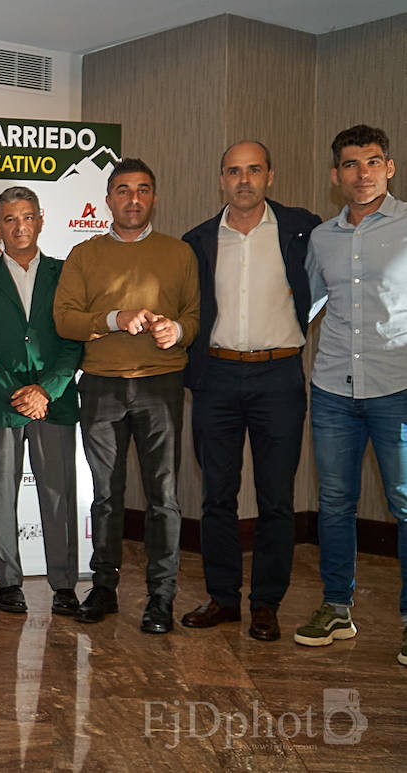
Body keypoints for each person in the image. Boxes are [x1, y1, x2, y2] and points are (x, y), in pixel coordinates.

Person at [179, 141, 320, 642]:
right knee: (217, 496)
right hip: (216, 378)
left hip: (278, 377)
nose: (244, 180)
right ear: (221, 179)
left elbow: (323, 286)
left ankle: (266, 604)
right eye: (234, 171)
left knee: (276, 497)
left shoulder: (302, 229)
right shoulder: (197, 240)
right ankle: (222, 598)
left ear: (270, 175)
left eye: (253, 170)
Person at [53, 157, 199, 635]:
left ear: (154, 198)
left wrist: (174, 329)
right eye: (122, 190)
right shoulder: (83, 254)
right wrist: (115, 318)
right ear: (108, 199)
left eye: (142, 190)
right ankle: (104, 588)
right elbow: (66, 321)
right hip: (101, 386)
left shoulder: (179, 254)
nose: (132, 199)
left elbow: (195, 320)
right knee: (106, 497)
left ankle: (161, 597)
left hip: (161, 386)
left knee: (164, 497)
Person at [294, 125, 406, 665]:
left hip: (397, 389)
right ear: (335, 175)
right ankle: (337, 607)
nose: (361, 174)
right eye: (350, 165)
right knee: (335, 505)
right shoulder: (322, 238)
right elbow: (313, 304)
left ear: (389, 167)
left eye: (372, 162)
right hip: (334, 388)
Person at [0, 186, 83, 617]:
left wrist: (47, 390)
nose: (19, 226)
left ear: (40, 220)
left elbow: (75, 339)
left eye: (27, 217)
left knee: (58, 494)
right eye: (10, 219)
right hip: (0, 404)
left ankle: (64, 584)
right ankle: (9, 582)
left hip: (53, 403)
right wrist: (13, 391)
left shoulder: (65, 273)